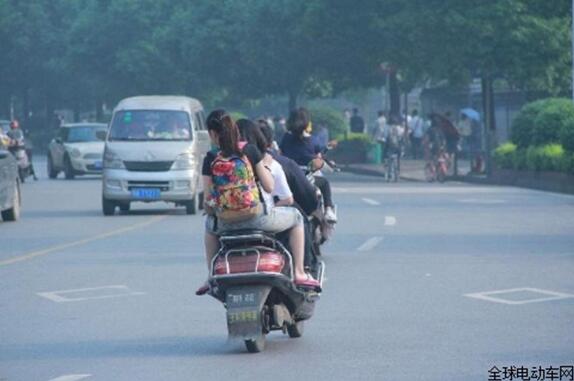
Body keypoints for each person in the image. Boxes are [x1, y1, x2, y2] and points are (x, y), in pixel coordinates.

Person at [197, 110, 319, 295]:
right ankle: (300, 272)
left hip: (225, 224)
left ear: (212, 133)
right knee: (296, 218)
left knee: (208, 225)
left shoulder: (211, 158)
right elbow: (269, 187)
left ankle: (211, 275)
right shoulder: (250, 150)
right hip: (257, 219)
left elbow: (207, 202)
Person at [279, 108, 336, 222]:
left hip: (288, 177)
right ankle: (329, 210)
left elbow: (281, 154)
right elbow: (319, 158)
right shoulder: (313, 140)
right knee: (324, 183)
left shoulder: (286, 138)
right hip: (307, 177)